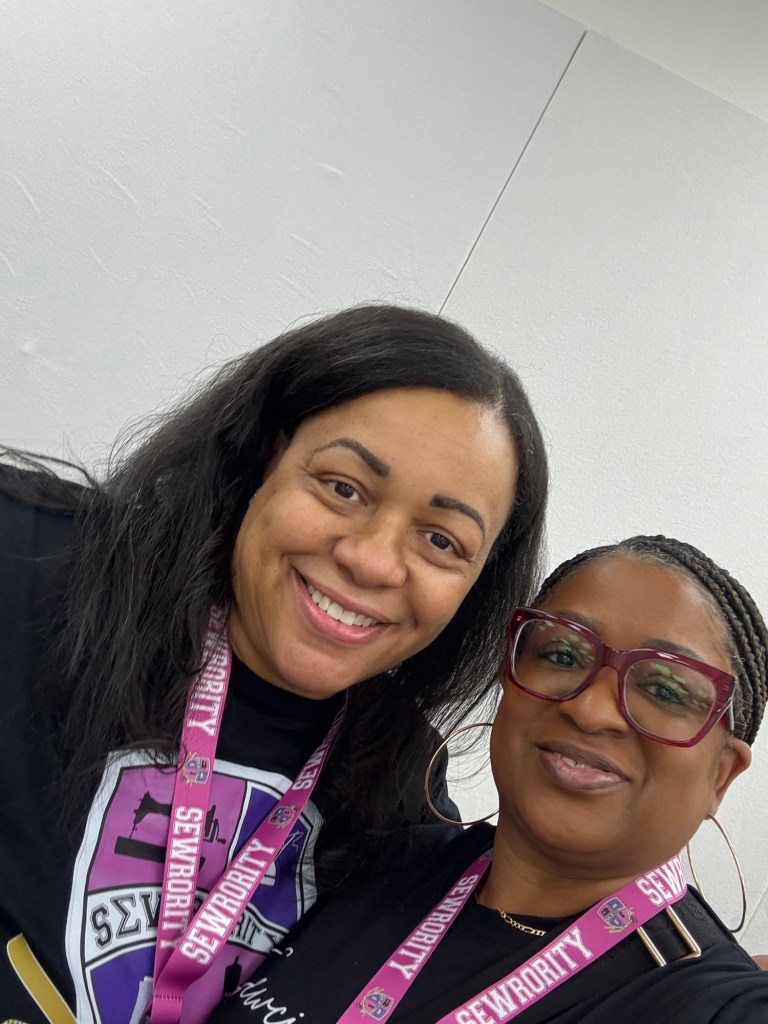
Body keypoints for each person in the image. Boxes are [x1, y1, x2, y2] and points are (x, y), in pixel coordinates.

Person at [0, 304, 548, 1024]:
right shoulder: (29, 562)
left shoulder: (404, 785)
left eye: (441, 541)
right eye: (344, 488)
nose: (371, 560)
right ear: (266, 454)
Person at [207, 534, 768, 1024]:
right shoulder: (373, 855)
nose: (591, 709)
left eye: (666, 689)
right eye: (562, 653)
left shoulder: (715, 1005)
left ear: (721, 775)